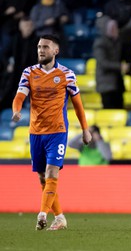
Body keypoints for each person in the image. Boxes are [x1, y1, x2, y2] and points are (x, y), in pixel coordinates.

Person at [11, 34, 92, 231]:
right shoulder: (29, 72)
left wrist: (85, 129)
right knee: (42, 177)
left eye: (46, 47)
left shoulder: (67, 74)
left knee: (51, 172)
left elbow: (78, 104)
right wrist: (16, 110)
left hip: (57, 131)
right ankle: (60, 217)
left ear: (56, 51)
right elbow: (19, 96)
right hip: (36, 132)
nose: (41, 50)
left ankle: (42, 214)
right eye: (39, 46)